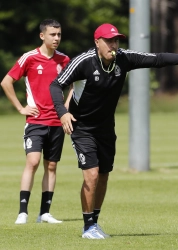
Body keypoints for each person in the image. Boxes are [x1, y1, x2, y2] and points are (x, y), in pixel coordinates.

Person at [49, 23, 178, 239]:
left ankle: (95, 223)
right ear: (97, 42)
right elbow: (55, 85)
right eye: (109, 41)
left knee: (104, 176)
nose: (113, 44)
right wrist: (62, 112)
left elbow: (156, 59)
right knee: (91, 175)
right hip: (82, 127)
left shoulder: (123, 58)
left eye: (116, 40)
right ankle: (88, 227)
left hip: (106, 128)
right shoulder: (84, 61)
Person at [0, 19, 71, 224]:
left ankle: (45, 213)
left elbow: (76, 83)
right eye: (52, 34)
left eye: (59, 34)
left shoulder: (64, 60)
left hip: (57, 122)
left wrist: (66, 106)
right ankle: (23, 212)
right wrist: (21, 108)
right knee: (33, 162)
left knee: (51, 166)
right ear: (42, 36)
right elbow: (6, 82)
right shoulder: (29, 58)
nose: (56, 38)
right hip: (36, 121)